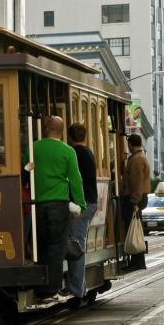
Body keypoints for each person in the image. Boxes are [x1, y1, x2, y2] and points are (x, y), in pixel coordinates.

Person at [31, 116, 86, 297]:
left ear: (46, 128)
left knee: (39, 246)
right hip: (58, 204)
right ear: (62, 132)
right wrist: (80, 204)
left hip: (36, 205)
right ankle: (51, 289)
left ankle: (38, 284)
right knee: (56, 247)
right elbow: (75, 180)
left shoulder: (33, 148)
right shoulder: (68, 151)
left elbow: (26, 172)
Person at [66, 123, 98, 300]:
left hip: (81, 205)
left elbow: (75, 180)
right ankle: (79, 288)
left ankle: (77, 291)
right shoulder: (89, 152)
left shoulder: (74, 153)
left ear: (70, 138)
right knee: (77, 244)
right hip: (90, 202)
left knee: (76, 247)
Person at [121, 133, 151, 271]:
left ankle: (137, 261)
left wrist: (134, 201)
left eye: (128, 143)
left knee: (133, 230)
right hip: (138, 198)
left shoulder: (137, 159)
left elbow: (137, 182)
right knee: (136, 229)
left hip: (135, 199)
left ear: (131, 144)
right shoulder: (138, 157)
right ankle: (137, 260)